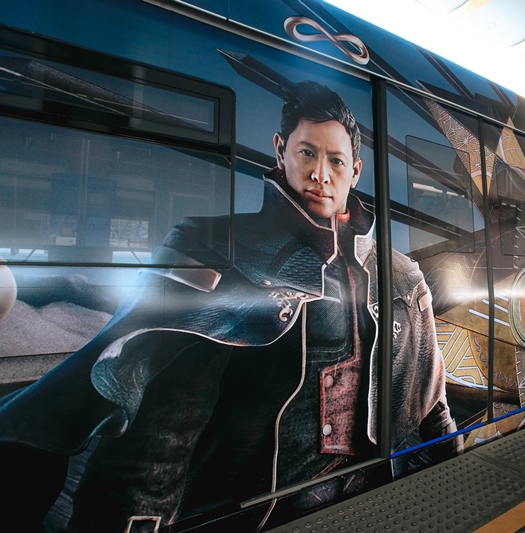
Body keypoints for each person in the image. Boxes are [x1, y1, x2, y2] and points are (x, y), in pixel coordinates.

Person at [0, 80, 460, 532]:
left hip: (375, 499)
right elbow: (161, 432)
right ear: (280, 150)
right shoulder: (214, 245)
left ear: (355, 170)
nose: (320, 174)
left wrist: (454, 468)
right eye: (307, 153)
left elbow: (431, 400)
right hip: (262, 515)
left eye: (335, 161)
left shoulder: (401, 274)